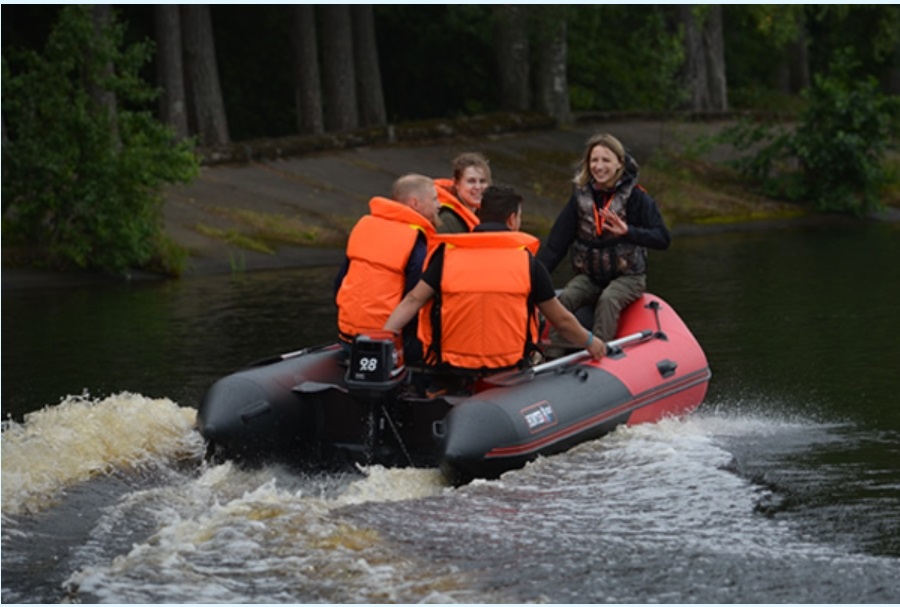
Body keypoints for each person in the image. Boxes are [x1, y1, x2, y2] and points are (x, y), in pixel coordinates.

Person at [383, 185, 606, 382]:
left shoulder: (446, 257)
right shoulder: (527, 263)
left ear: (479, 216)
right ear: (512, 219)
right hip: (508, 368)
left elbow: (412, 301)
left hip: (451, 366)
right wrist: (591, 342)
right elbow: (562, 321)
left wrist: (384, 337)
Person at [537, 133, 670, 348]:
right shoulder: (580, 198)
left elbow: (663, 238)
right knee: (567, 297)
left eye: (606, 160)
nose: (599, 166)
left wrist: (628, 231)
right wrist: (534, 280)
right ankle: (555, 354)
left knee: (609, 299)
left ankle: (600, 349)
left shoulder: (637, 198)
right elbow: (555, 246)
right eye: (594, 160)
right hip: (590, 277)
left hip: (629, 278)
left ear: (619, 163)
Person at [334, 173, 440, 364]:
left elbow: (340, 281)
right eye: (434, 199)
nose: (439, 205)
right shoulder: (414, 240)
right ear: (415, 203)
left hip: (348, 333)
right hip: (385, 338)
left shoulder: (364, 226)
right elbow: (414, 298)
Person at [433, 152, 491, 234]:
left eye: (482, 181)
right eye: (471, 181)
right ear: (456, 184)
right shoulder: (447, 221)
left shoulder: (485, 215)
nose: (478, 187)